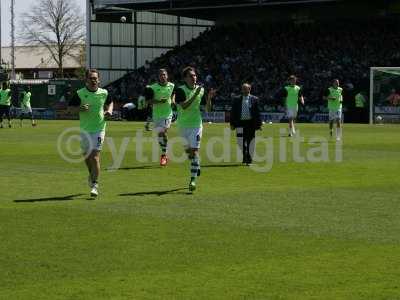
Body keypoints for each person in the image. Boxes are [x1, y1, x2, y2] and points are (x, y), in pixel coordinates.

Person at [68, 69, 113, 197]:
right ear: (86, 80)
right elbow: (70, 109)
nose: (93, 80)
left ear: (99, 80)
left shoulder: (104, 92)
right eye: (91, 78)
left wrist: (109, 110)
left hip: (99, 128)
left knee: (95, 157)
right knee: (87, 158)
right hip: (85, 130)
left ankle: (95, 185)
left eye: (95, 78)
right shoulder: (80, 94)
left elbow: (110, 102)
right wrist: (80, 108)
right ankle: (92, 175)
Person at [174, 66, 216, 192]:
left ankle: (192, 180)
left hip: (196, 125)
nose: (194, 77)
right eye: (191, 76)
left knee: (195, 151)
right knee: (190, 153)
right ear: (185, 78)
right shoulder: (180, 90)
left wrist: (208, 98)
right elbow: (185, 106)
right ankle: (196, 166)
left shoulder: (201, 90)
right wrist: (195, 95)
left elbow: (208, 110)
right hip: (182, 126)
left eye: (195, 75)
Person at [144, 69, 175, 166]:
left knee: (163, 132)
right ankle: (164, 152)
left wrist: (173, 100)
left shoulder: (172, 85)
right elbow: (149, 101)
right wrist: (159, 101)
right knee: (159, 136)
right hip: (157, 115)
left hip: (167, 113)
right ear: (158, 76)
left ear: (167, 76)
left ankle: (164, 155)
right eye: (161, 75)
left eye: (164, 74)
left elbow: (174, 93)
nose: (163, 76)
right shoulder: (153, 87)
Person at [230, 83, 262, 165]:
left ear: (249, 89)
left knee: (251, 142)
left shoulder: (255, 99)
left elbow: (257, 113)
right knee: (240, 141)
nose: (243, 90)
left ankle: (249, 159)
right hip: (240, 123)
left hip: (250, 123)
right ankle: (245, 156)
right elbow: (233, 112)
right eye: (242, 88)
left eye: (245, 88)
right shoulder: (236, 99)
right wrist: (232, 124)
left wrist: (259, 124)